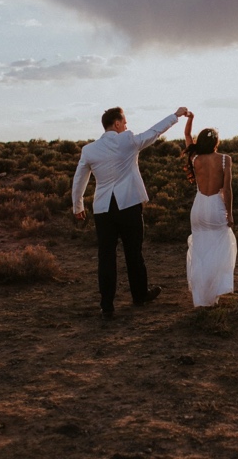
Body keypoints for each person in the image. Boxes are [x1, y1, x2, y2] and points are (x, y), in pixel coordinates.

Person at [72, 106, 189, 320]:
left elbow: (80, 178)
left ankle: (106, 305)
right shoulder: (129, 141)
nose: (127, 125)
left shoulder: (89, 150)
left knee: (105, 257)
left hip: (103, 209)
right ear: (116, 124)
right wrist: (175, 116)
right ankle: (139, 296)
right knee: (133, 253)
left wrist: (78, 206)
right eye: (124, 122)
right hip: (129, 205)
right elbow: (154, 132)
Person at [182, 112, 237, 308]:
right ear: (216, 142)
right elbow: (227, 189)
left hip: (198, 207)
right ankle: (213, 295)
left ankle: (202, 298)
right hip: (215, 206)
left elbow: (187, 135)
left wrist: (190, 118)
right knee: (219, 249)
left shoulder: (195, 157)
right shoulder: (225, 159)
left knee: (200, 250)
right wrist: (229, 213)